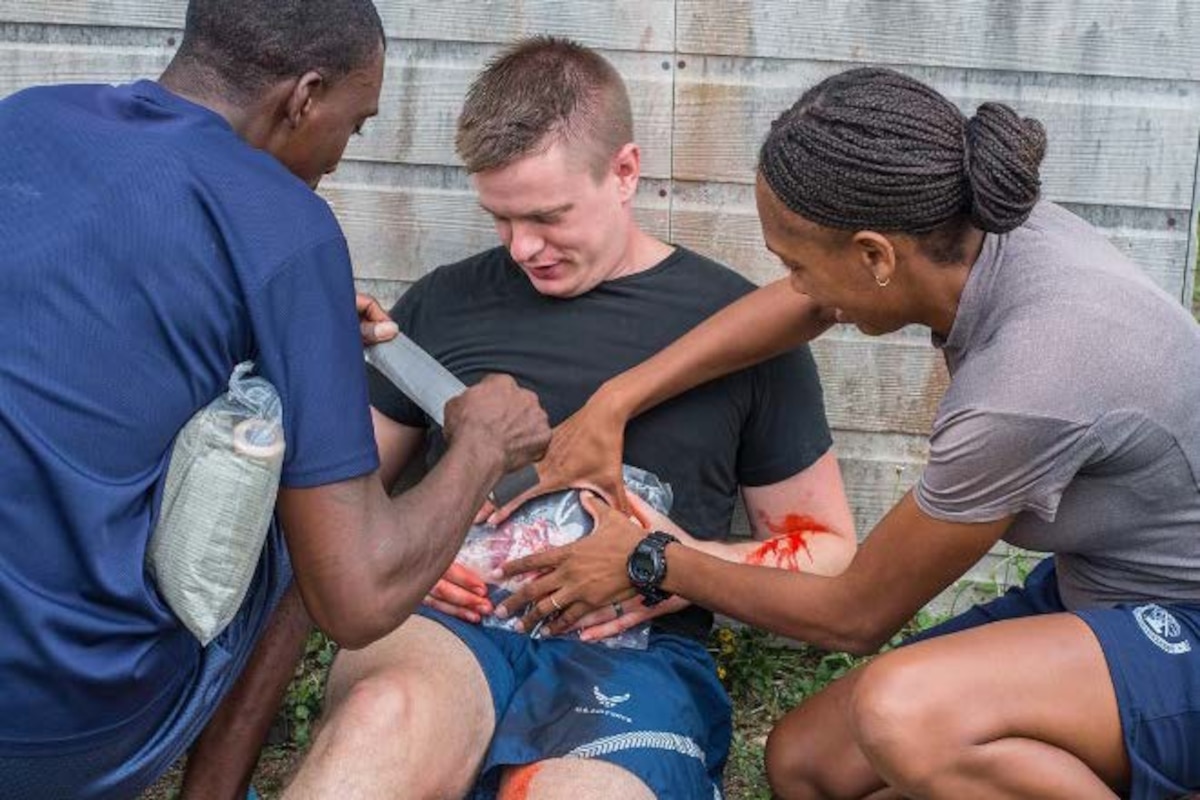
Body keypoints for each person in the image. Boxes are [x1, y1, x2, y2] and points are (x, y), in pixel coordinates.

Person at [495, 67, 1200, 800]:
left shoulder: (1027, 383)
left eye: (796, 263)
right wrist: (618, 399)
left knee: (906, 716)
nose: (794, 284)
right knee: (807, 764)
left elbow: (855, 613)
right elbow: (807, 305)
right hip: (1100, 593)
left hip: (1184, 627)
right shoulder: (988, 229)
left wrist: (651, 560)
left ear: (875, 257)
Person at [0, 3, 549, 799]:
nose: (338, 157)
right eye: (353, 127)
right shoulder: (287, 224)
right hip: (52, 728)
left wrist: (291, 329)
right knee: (313, 521)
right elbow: (356, 597)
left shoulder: (29, 118)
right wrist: (480, 446)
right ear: (304, 96)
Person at [283, 37, 856, 800]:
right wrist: (409, 551)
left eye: (549, 217)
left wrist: (677, 562)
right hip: (447, 635)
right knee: (379, 730)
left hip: (633, 655)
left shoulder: (741, 326)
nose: (523, 247)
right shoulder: (445, 300)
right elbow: (339, 499)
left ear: (624, 172)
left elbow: (829, 552)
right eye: (500, 218)